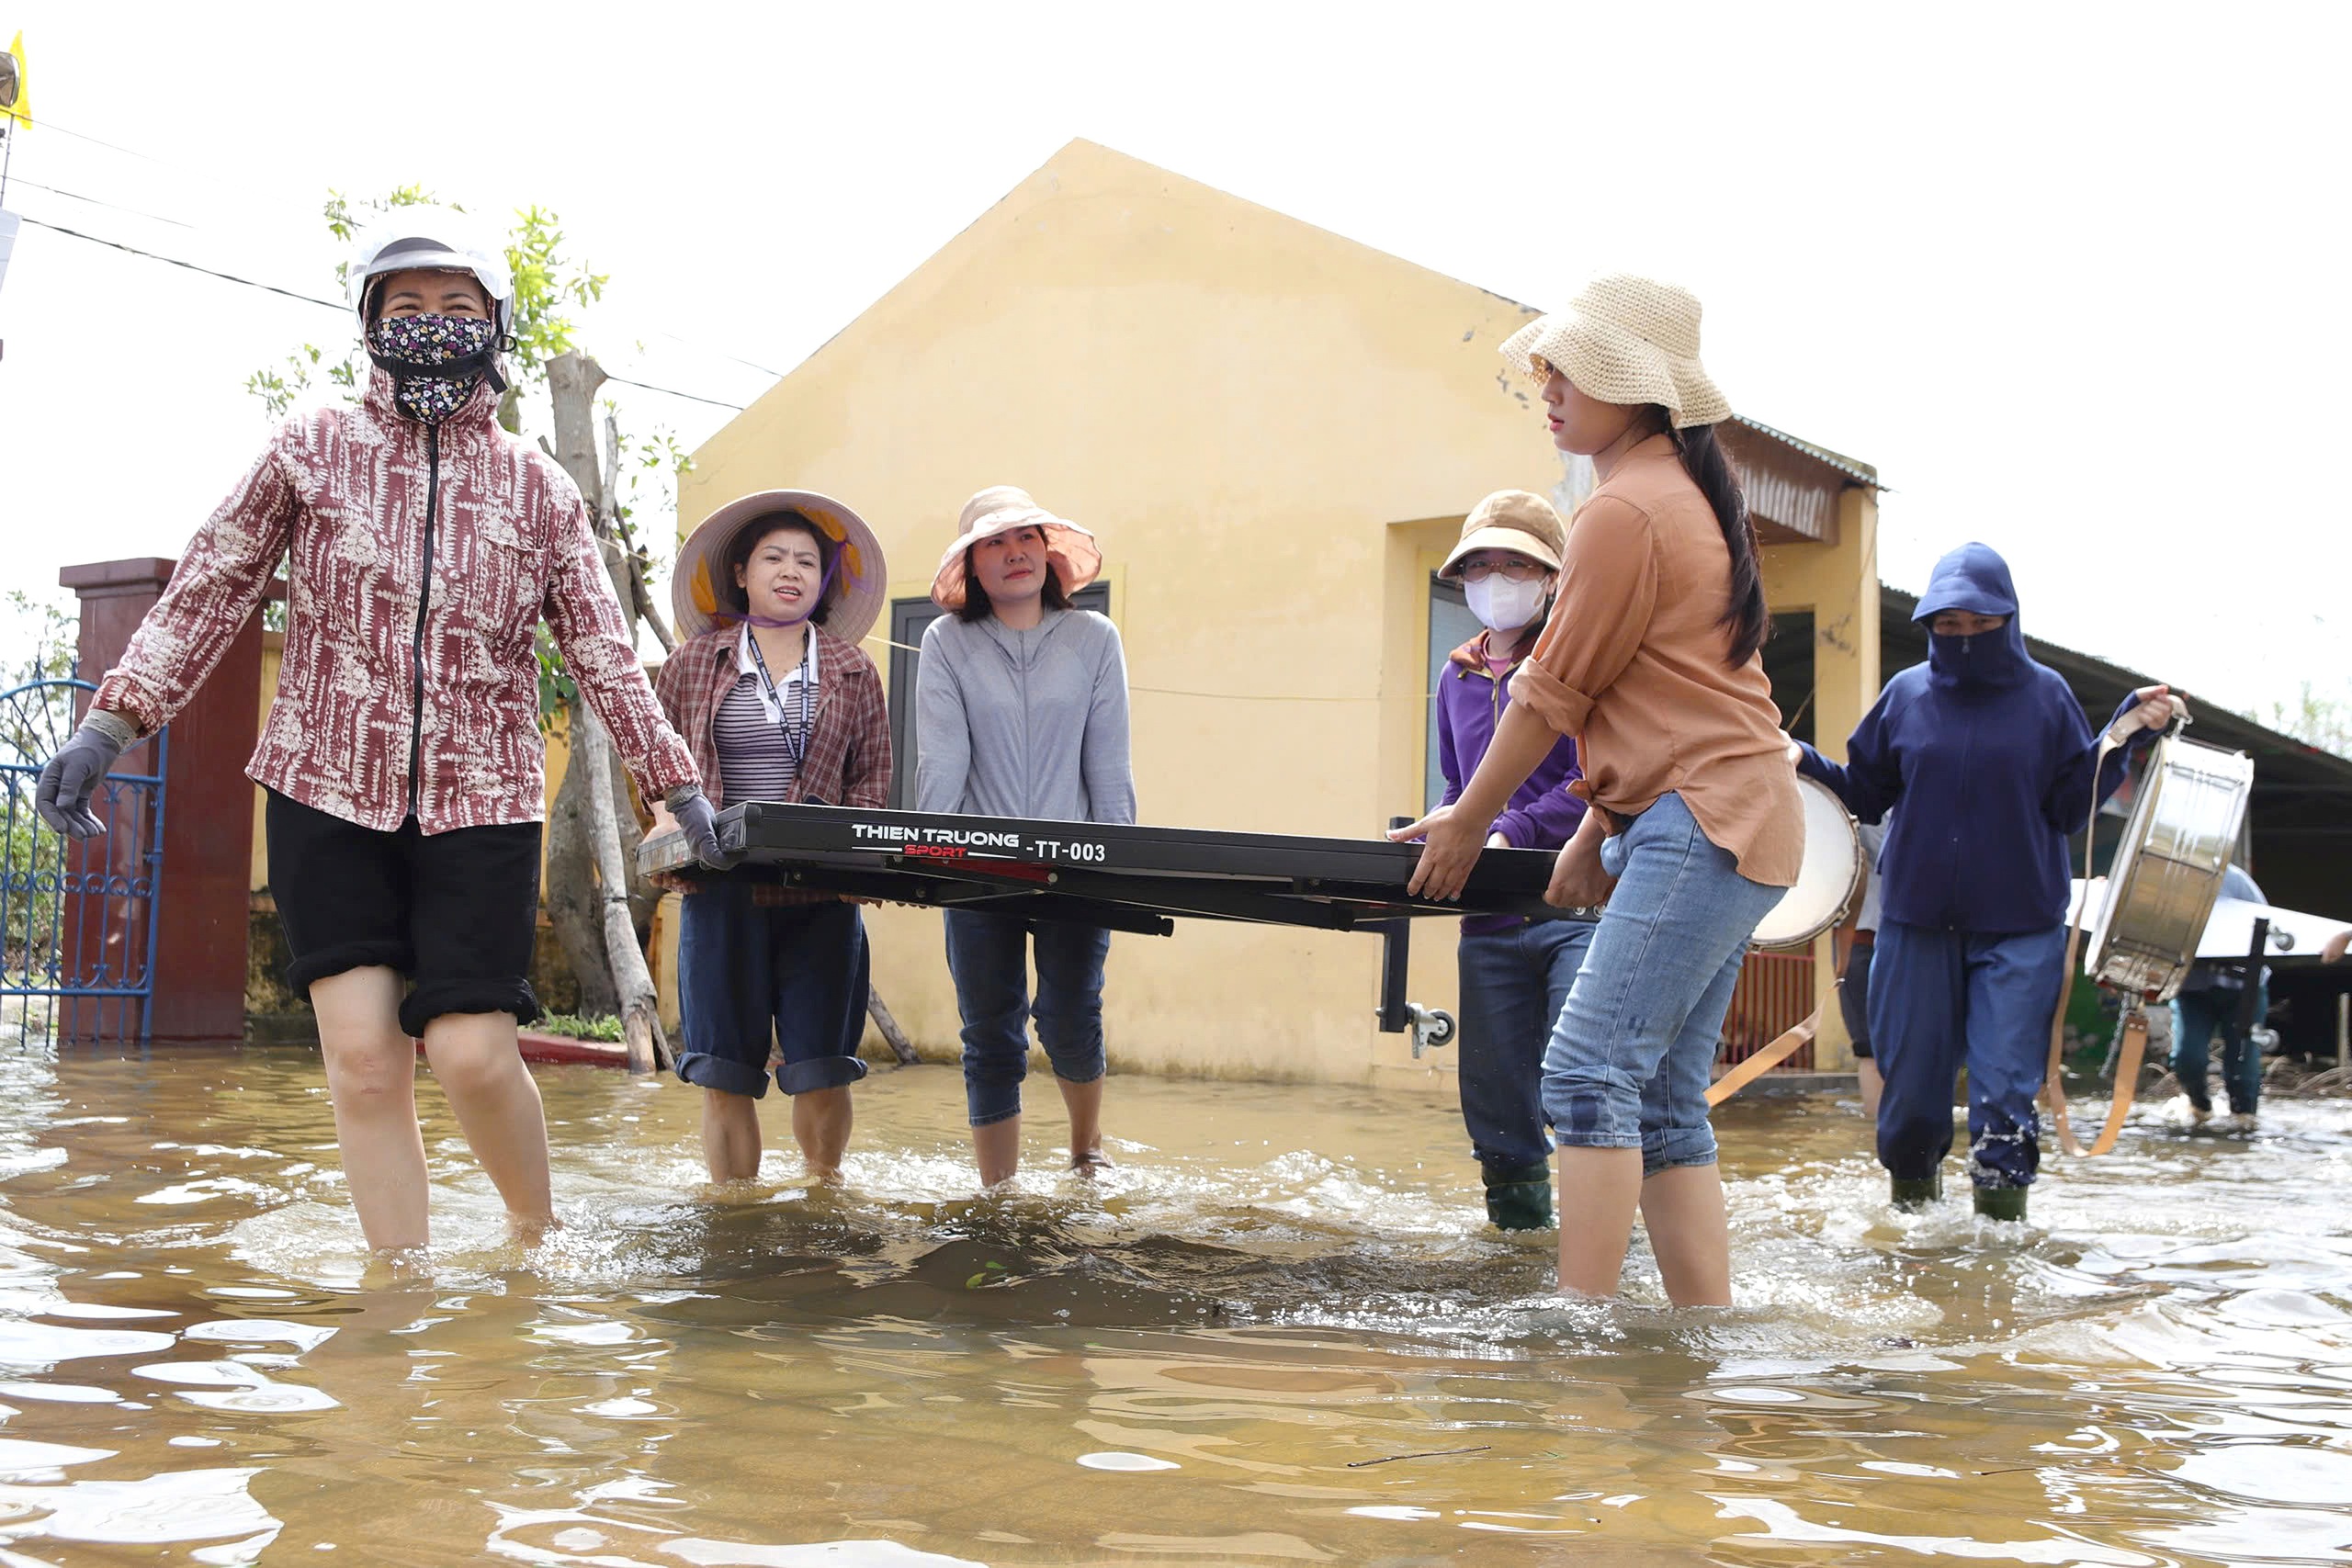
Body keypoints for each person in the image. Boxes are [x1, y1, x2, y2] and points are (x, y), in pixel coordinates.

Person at [32, 208, 723, 1253]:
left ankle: (536, 1244)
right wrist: (109, 725)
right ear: (369, 324)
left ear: (494, 325)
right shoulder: (312, 448)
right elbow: (213, 585)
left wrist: (676, 787)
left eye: (456, 308)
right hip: (323, 788)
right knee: (362, 1060)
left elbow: (600, 649)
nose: (431, 325)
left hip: (480, 800)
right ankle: (398, 1295)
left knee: (475, 1055)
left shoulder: (537, 487)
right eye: (406, 307)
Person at [1395, 275, 1804, 1305]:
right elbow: (1654, 695)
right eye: (1548, 364)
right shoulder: (1678, 495)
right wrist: (1595, 826)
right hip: (1726, 816)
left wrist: (1466, 823)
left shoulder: (1626, 509)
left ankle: (1580, 1331)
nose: (1548, 381)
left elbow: (1548, 695)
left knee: (1582, 1071)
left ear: (1641, 390)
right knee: (1663, 1098)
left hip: (1701, 820)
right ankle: (1696, 1335)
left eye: (1573, 367)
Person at [1796, 542, 2182, 1221]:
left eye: (1981, 623)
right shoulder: (1906, 695)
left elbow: (2069, 805)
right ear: (1929, 625)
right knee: (1910, 1096)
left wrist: (2124, 730)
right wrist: (1794, 754)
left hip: (2020, 927)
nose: (1965, 636)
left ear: (2010, 619)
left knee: (2004, 1092)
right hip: (1916, 924)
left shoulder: (2047, 697)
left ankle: (2001, 1247)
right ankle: (1916, 1229)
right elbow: (1864, 790)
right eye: (1949, 625)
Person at [650, 491, 891, 1183]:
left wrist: (858, 866)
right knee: (725, 1073)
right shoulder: (693, 663)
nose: (791, 571)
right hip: (721, 887)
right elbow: (655, 766)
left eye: (807, 561)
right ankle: (735, 1215)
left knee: (822, 1069)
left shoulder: (853, 670)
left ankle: (823, 1193)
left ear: (824, 580)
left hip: (821, 890)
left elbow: (872, 782)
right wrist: (666, 820)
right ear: (741, 574)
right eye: (774, 558)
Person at [916, 486, 1134, 1186]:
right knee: (989, 1029)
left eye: (1027, 539)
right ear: (972, 569)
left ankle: (1084, 1148)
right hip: (978, 868)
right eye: (993, 544)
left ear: (1050, 555)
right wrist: (926, 862)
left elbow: (1109, 764)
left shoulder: (1095, 639)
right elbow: (942, 761)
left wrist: (1120, 860)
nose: (1014, 553)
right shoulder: (945, 643)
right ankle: (998, 1192)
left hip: (1074, 867)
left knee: (1070, 1015)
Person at [1427, 491, 1592, 1231]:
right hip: (1488, 916)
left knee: (1580, 1081)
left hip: (1575, 902)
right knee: (1494, 1096)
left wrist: (1510, 827)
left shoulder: (1577, 660)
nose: (1498, 578)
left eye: (1517, 563)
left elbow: (1593, 780)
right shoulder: (1455, 676)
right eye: (1482, 564)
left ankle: (1599, 1252)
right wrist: (1449, 828)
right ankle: (1520, 1242)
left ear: (1552, 576)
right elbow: (1462, 790)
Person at [2170, 862, 2271, 1128]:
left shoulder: (2236, 881)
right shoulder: (2170, 879)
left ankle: (2244, 1119)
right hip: (2192, 989)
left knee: (2243, 1063)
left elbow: (2266, 926)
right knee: (2186, 1057)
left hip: (2242, 988)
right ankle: (2199, 1108)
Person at [1834, 818, 1889, 1116]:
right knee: (1868, 1047)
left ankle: (1879, 1137)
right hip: (1860, 940)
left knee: (1871, 1047)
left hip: (1874, 941)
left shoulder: (1854, 815)